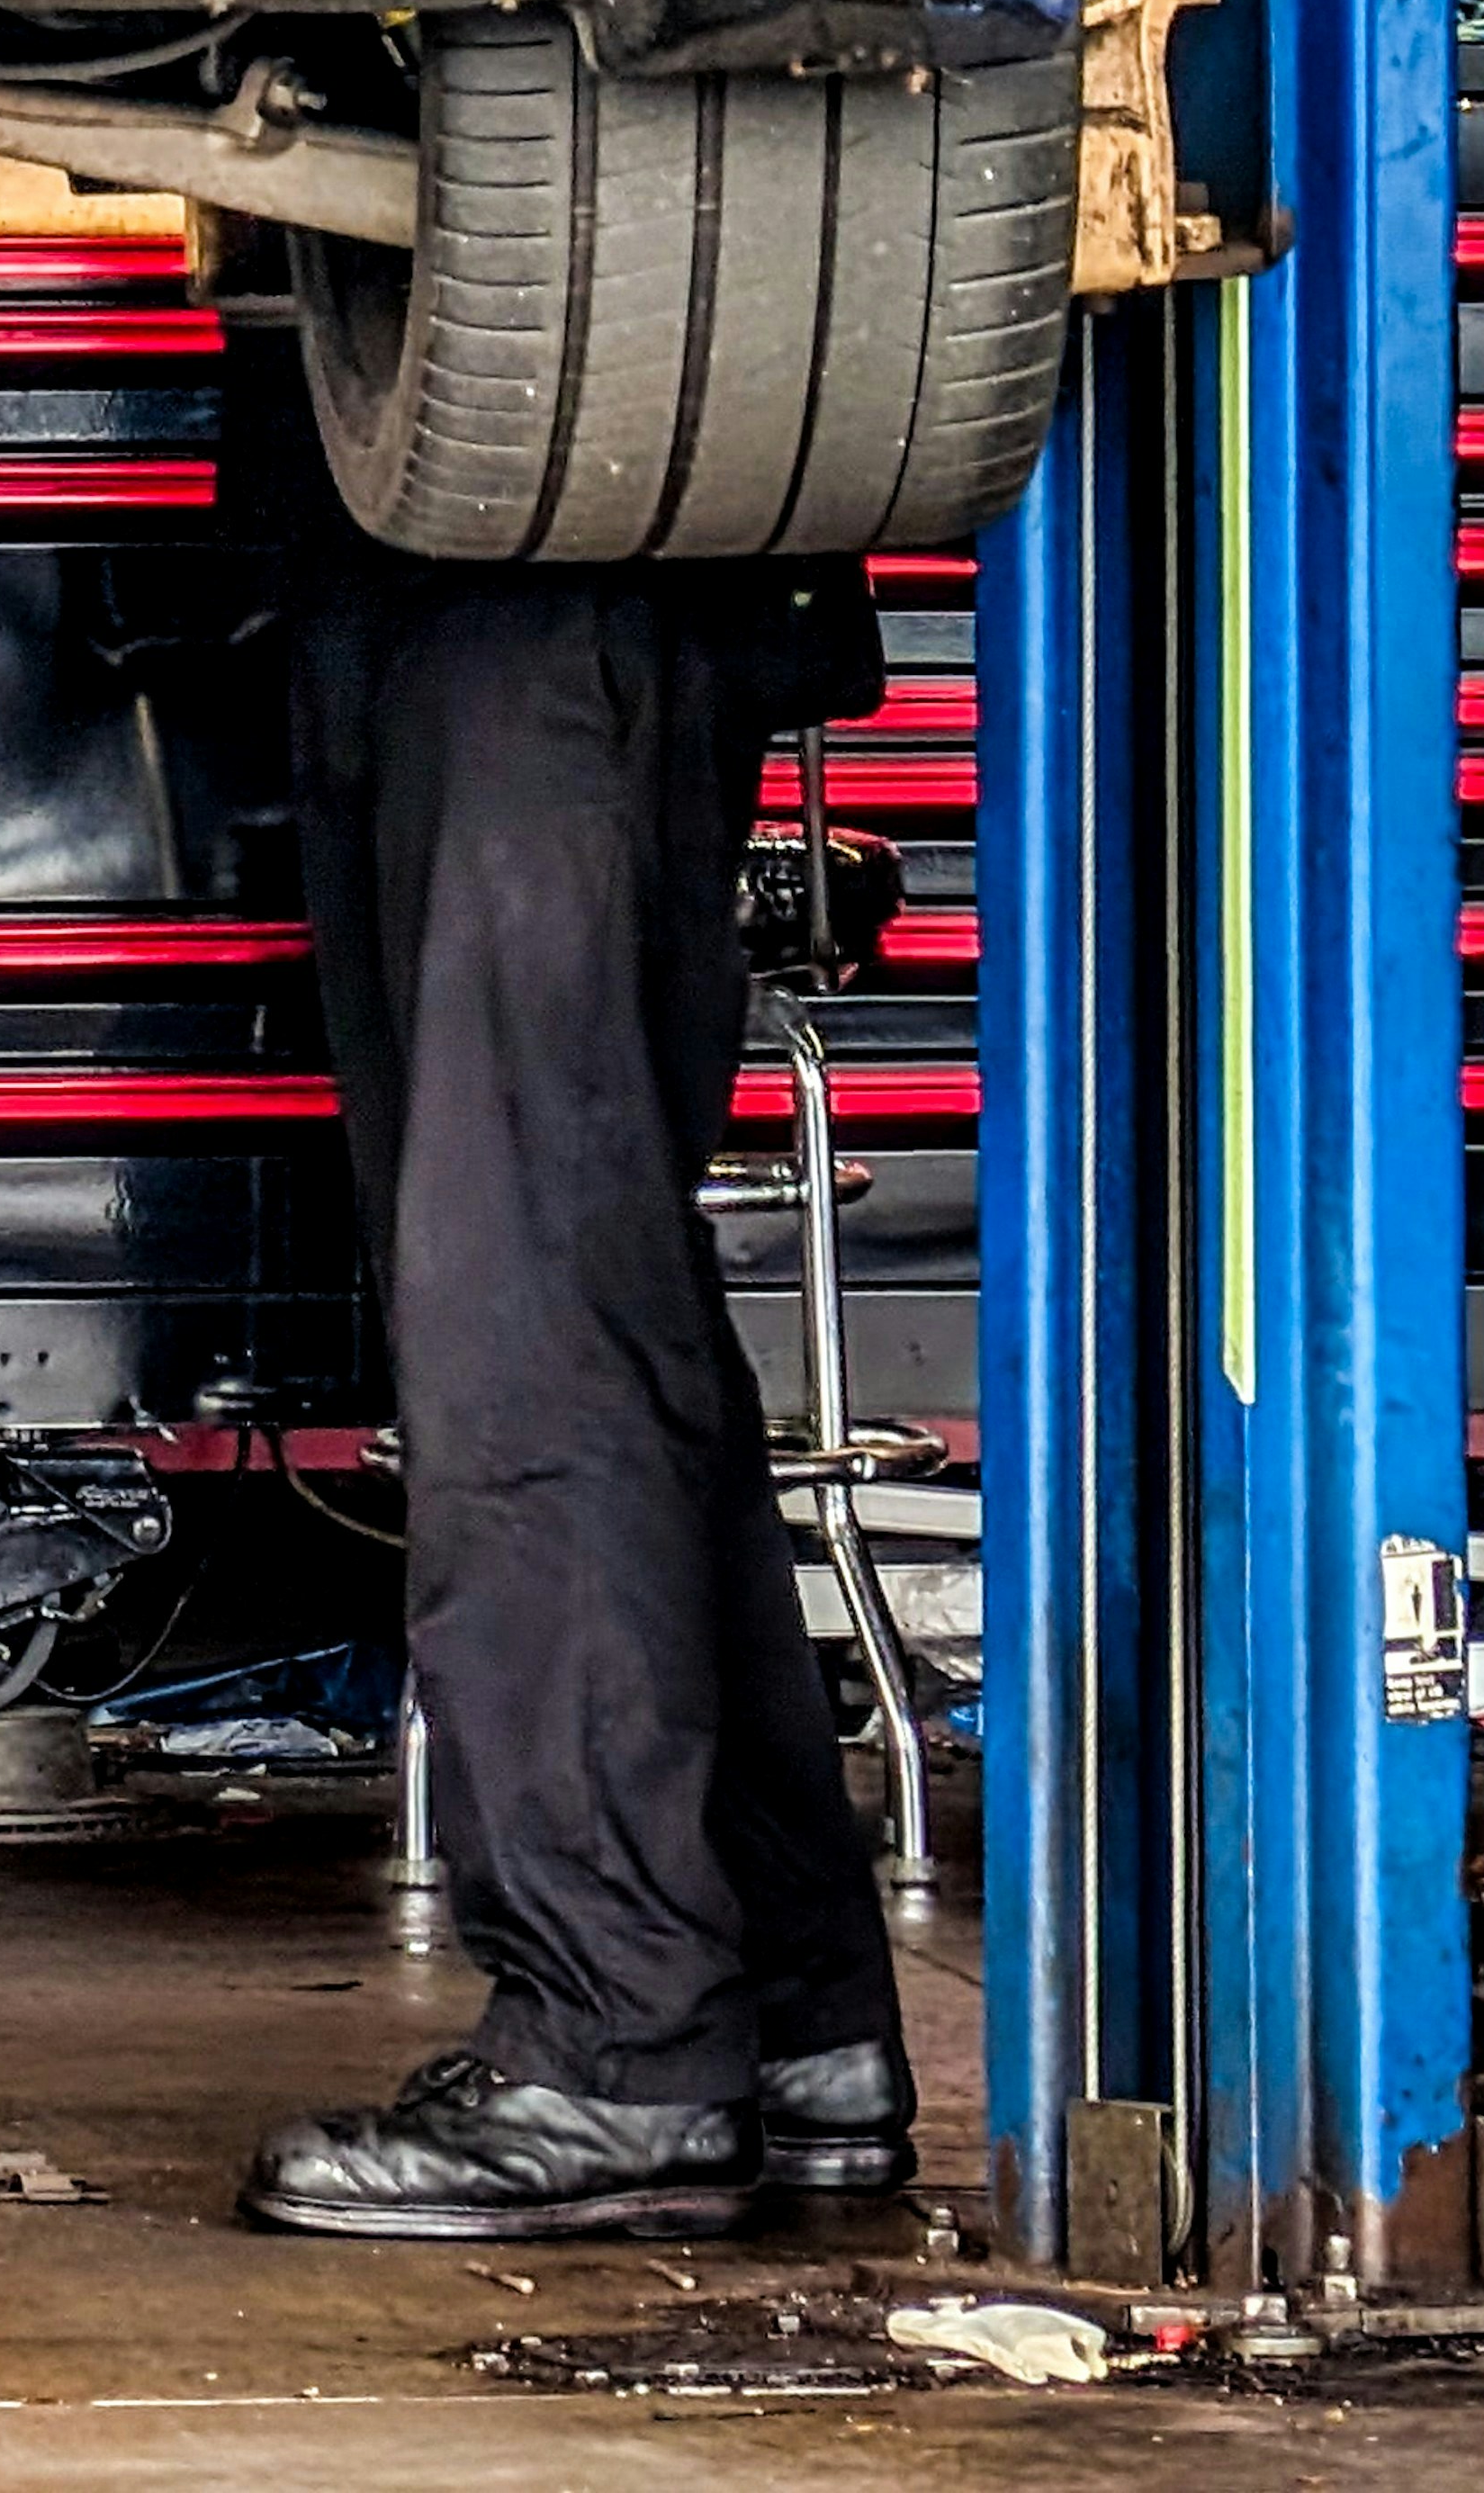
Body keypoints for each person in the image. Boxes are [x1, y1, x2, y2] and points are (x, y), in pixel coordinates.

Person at [233, 491, 919, 2240]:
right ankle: (784, 2004)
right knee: (601, 1284)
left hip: (529, 560)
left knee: (519, 1294)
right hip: (551, 567)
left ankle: (617, 2036)